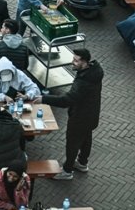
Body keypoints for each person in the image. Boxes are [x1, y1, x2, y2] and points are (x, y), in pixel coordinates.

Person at [40, 48, 103, 180]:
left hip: (79, 117)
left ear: (84, 62)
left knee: (72, 143)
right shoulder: (94, 72)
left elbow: (66, 100)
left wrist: (44, 99)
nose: (72, 62)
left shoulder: (83, 82)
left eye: (76, 60)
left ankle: (67, 170)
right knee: (86, 138)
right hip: (91, 115)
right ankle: (82, 163)